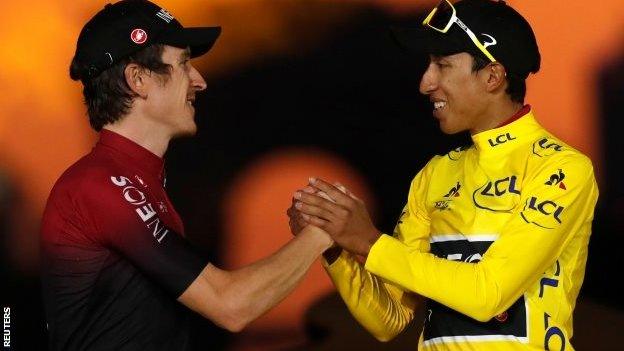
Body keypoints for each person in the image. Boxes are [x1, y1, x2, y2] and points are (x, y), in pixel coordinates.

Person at [288, 0, 599, 350]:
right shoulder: (435, 174)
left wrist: (369, 241)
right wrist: (337, 247)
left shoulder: (561, 168)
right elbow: (388, 320)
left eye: (442, 64)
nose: (425, 83)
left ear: (493, 76)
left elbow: (488, 294)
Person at [40, 1, 333, 350]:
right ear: (138, 79)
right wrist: (323, 231)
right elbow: (231, 306)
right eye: (183, 65)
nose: (200, 81)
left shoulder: (133, 181)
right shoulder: (101, 186)